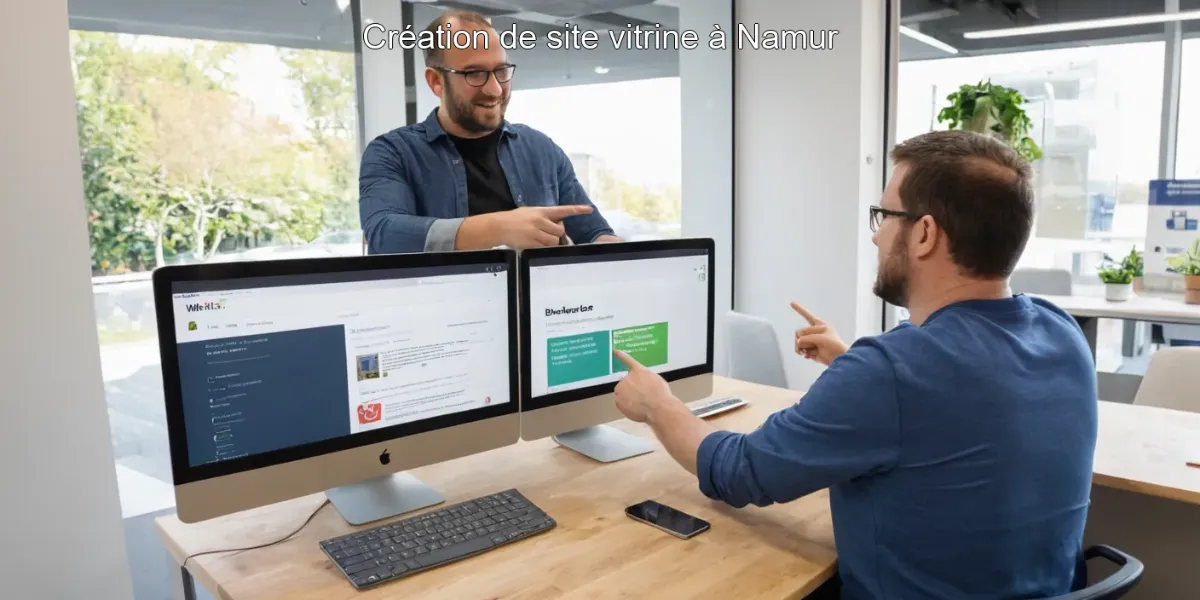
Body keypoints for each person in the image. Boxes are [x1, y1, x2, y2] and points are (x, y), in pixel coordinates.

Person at [610, 130, 1098, 600]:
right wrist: (850, 365)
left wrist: (658, 404)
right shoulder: (1061, 331)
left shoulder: (892, 371)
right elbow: (968, 401)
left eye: (884, 215)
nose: (876, 237)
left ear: (925, 233)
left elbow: (738, 473)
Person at [358, 10, 621, 254]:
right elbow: (385, 234)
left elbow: (594, 233)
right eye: (475, 74)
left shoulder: (540, 149)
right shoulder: (393, 153)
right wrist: (500, 229)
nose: (495, 89)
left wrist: (617, 251)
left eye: (501, 71)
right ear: (436, 82)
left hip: (539, 306)